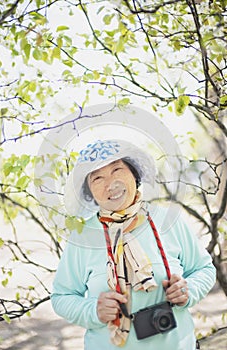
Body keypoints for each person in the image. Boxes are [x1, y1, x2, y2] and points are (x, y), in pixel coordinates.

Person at [51, 139, 216, 350]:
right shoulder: (84, 238)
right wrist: (93, 310)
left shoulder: (167, 221)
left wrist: (188, 290)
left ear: (134, 174)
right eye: (97, 178)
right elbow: (61, 297)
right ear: (89, 192)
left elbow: (204, 269)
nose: (111, 184)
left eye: (117, 169)